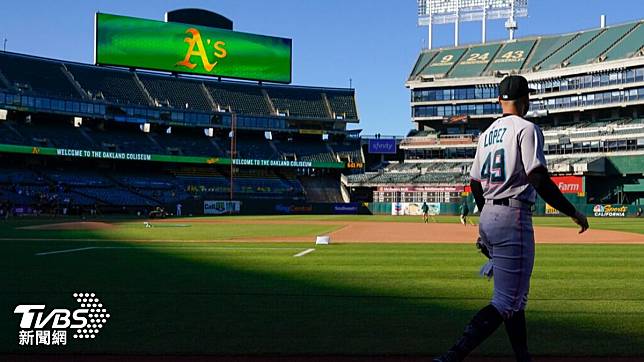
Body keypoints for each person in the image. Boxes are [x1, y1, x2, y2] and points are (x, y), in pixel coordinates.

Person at [434, 75, 589, 362]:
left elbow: (476, 183)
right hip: (513, 215)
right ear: (527, 100)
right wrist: (573, 212)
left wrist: (485, 220)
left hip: (490, 213)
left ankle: (523, 357)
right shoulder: (527, 128)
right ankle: (451, 356)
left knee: (515, 300)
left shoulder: (487, 133)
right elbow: (537, 176)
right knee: (506, 302)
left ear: (499, 101)